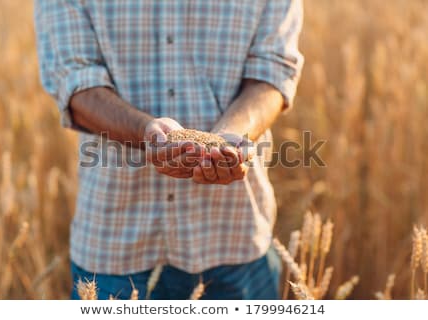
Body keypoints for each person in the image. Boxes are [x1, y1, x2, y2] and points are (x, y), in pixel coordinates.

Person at [35, 0, 304, 300]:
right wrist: (146, 132)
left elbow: (273, 71)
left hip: (236, 234)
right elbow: (74, 81)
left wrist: (228, 140)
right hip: (116, 245)